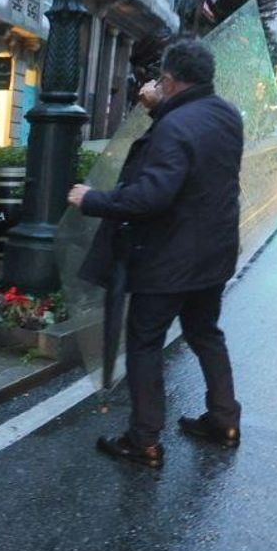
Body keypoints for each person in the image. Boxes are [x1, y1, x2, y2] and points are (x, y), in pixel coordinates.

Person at [68, 39, 243, 470]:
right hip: (214, 255)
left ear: (168, 80)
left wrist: (93, 199)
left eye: (161, 82)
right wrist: (158, 108)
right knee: (205, 333)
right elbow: (191, 150)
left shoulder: (174, 125)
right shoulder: (227, 115)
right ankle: (225, 421)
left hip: (169, 259)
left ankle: (144, 440)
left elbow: (151, 196)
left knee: (145, 343)